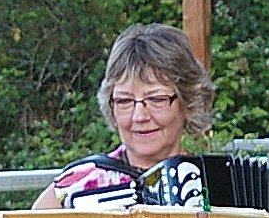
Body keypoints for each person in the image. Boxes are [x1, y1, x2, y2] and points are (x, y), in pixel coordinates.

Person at [32, 22, 215, 209]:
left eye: (156, 99)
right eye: (124, 101)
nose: (139, 116)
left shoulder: (212, 183)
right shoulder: (77, 185)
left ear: (189, 102)